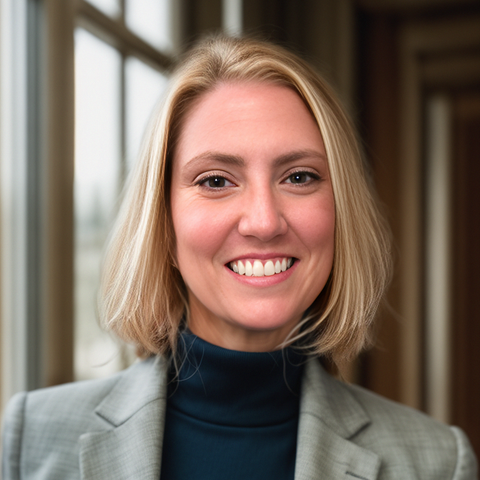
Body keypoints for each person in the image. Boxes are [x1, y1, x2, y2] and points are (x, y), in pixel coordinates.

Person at [2, 35, 478, 480]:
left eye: (299, 177)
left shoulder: (437, 462)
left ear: (340, 212)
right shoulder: (32, 439)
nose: (264, 221)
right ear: (163, 225)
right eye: (215, 180)